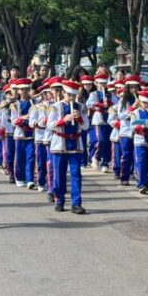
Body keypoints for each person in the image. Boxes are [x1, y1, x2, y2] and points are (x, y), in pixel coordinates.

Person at [49, 80, 89, 214]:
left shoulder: (81, 107)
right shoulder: (55, 106)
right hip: (59, 144)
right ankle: (59, 201)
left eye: (73, 95)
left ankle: (76, 203)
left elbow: (86, 126)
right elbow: (49, 125)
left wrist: (80, 119)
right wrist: (62, 120)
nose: (71, 98)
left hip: (75, 144)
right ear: (63, 93)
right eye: (68, 95)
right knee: (59, 174)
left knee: (76, 174)